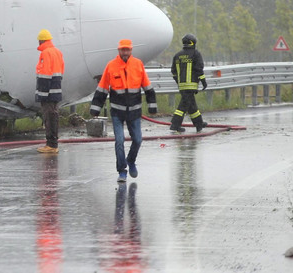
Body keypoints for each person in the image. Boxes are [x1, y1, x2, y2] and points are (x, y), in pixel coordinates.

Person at [90, 39, 158, 182]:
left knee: (138, 140)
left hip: (134, 112)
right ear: (119, 50)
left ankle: (131, 161)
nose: (125, 52)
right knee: (119, 141)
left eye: (127, 50)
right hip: (117, 112)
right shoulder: (111, 66)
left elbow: (147, 87)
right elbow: (102, 88)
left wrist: (152, 106)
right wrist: (95, 109)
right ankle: (122, 171)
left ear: (131, 50)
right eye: (123, 50)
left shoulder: (137, 64)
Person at [169, 33, 209, 133]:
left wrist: (179, 82)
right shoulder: (196, 54)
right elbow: (199, 69)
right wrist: (204, 82)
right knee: (183, 106)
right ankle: (175, 125)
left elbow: (173, 71)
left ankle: (199, 124)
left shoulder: (177, 55)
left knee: (191, 106)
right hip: (191, 85)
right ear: (193, 43)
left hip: (182, 86)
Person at [35, 29, 64, 154]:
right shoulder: (57, 52)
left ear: (41, 40)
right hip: (56, 90)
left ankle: (51, 145)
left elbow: (45, 75)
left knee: (49, 117)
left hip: (48, 92)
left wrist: (42, 94)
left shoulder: (46, 53)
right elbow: (60, 71)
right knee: (54, 116)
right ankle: (53, 143)